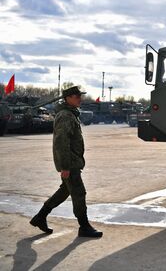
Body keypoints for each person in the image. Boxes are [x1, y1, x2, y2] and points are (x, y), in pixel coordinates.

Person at [30, 86, 102, 238]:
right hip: (70, 163)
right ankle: (84, 226)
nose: (79, 99)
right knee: (78, 193)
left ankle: (40, 217)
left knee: (65, 191)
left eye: (79, 96)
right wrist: (65, 166)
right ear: (68, 98)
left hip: (72, 161)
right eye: (76, 96)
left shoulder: (70, 114)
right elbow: (61, 142)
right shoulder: (65, 116)